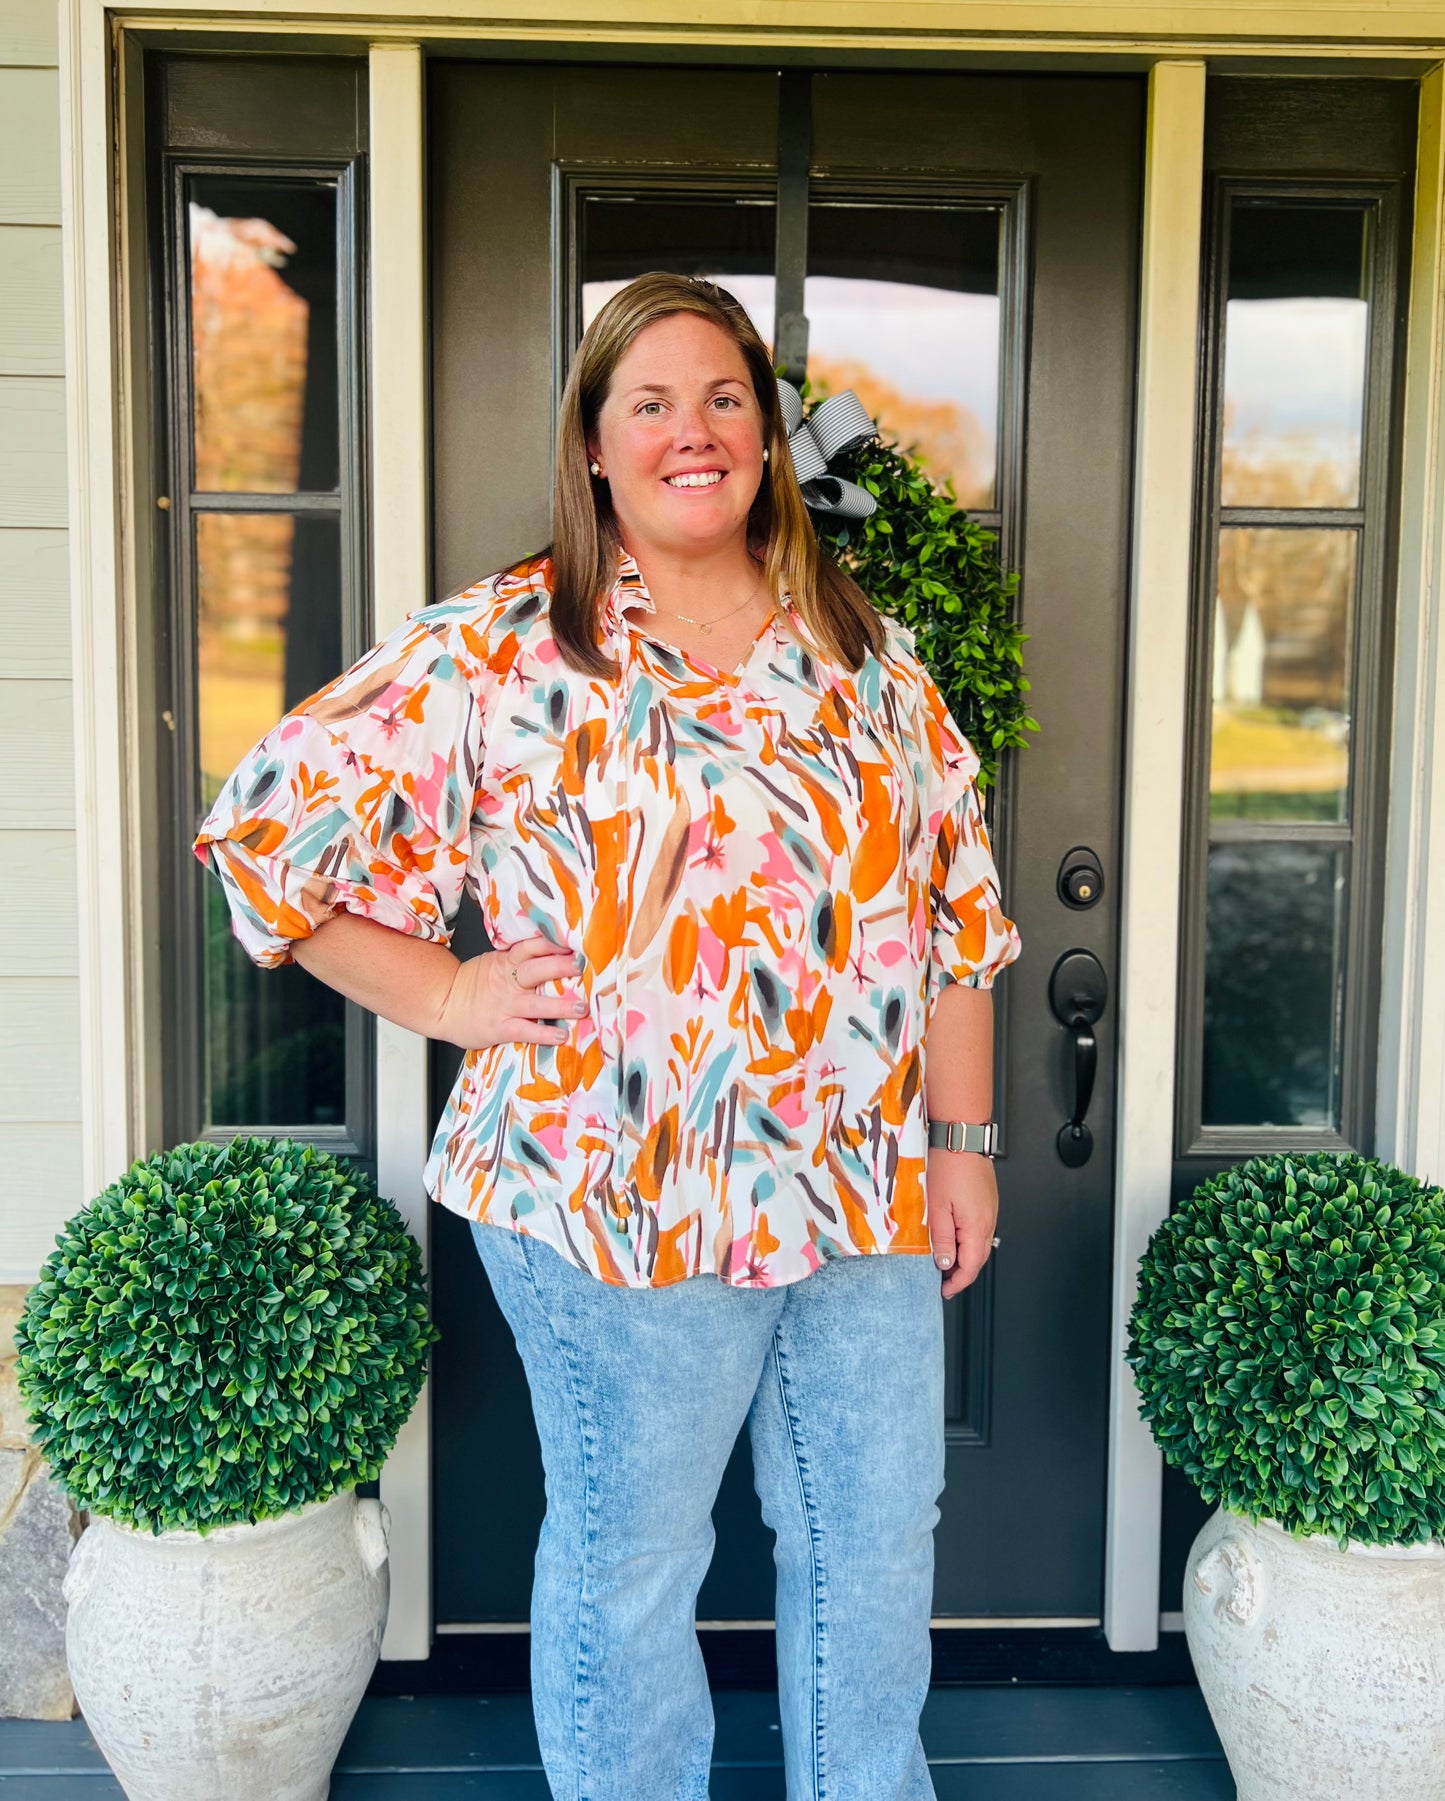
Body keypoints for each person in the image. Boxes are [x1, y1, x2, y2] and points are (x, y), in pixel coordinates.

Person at [196, 271, 1021, 1801]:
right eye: (649, 402)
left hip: (855, 1188)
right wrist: (444, 994)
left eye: (723, 399)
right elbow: (264, 840)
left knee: (872, 1531)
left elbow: (954, 909)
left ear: (768, 440)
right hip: (610, 1192)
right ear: (593, 443)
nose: (690, 431)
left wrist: (960, 1145)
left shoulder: (861, 651)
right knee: (636, 1556)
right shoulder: (500, 648)